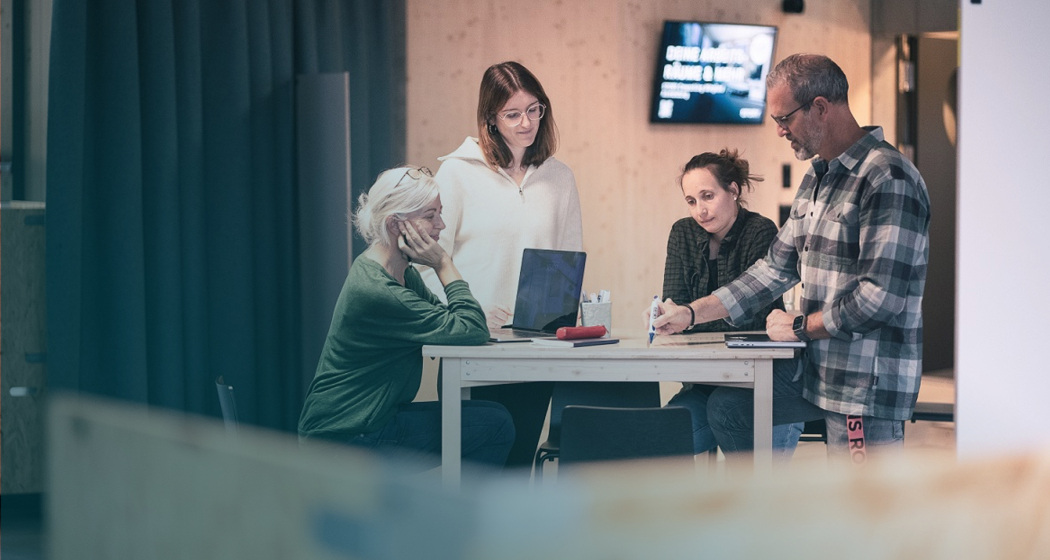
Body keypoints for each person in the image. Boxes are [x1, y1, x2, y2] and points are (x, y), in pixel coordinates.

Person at [651, 53, 930, 464]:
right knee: (729, 408)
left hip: (862, 386)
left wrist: (799, 325)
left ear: (820, 107)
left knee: (864, 515)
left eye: (785, 119)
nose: (780, 131)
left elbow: (879, 298)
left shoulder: (887, 177)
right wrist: (691, 313)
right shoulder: (817, 177)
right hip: (815, 373)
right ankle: (762, 517)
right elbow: (771, 270)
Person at [419, 61, 583, 471]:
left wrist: (559, 317)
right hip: (474, 345)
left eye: (534, 109)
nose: (526, 122)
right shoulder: (457, 173)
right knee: (473, 472)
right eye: (512, 114)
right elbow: (426, 263)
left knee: (517, 468)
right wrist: (465, 310)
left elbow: (569, 261)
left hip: (536, 349)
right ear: (490, 119)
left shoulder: (559, 177)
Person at [298, 165, 514, 471]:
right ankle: (460, 518)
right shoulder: (378, 290)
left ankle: (449, 514)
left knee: (491, 413)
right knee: (495, 425)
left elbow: (454, 321)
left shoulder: (400, 274)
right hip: (346, 439)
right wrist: (442, 262)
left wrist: (463, 314)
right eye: (429, 216)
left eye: (440, 213)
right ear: (396, 224)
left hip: (367, 422)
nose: (440, 226)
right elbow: (471, 328)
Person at [659, 150, 803, 456]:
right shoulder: (682, 233)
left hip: (756, 377)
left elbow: (753, 317)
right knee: (656, 438)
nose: (700, 210)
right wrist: (678, 317)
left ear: (733, 191)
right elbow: (676, 309)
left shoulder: (759, 231)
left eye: (708, 196)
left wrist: (690, 316)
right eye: (691, 201)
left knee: (725, 413)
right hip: (705, 380)